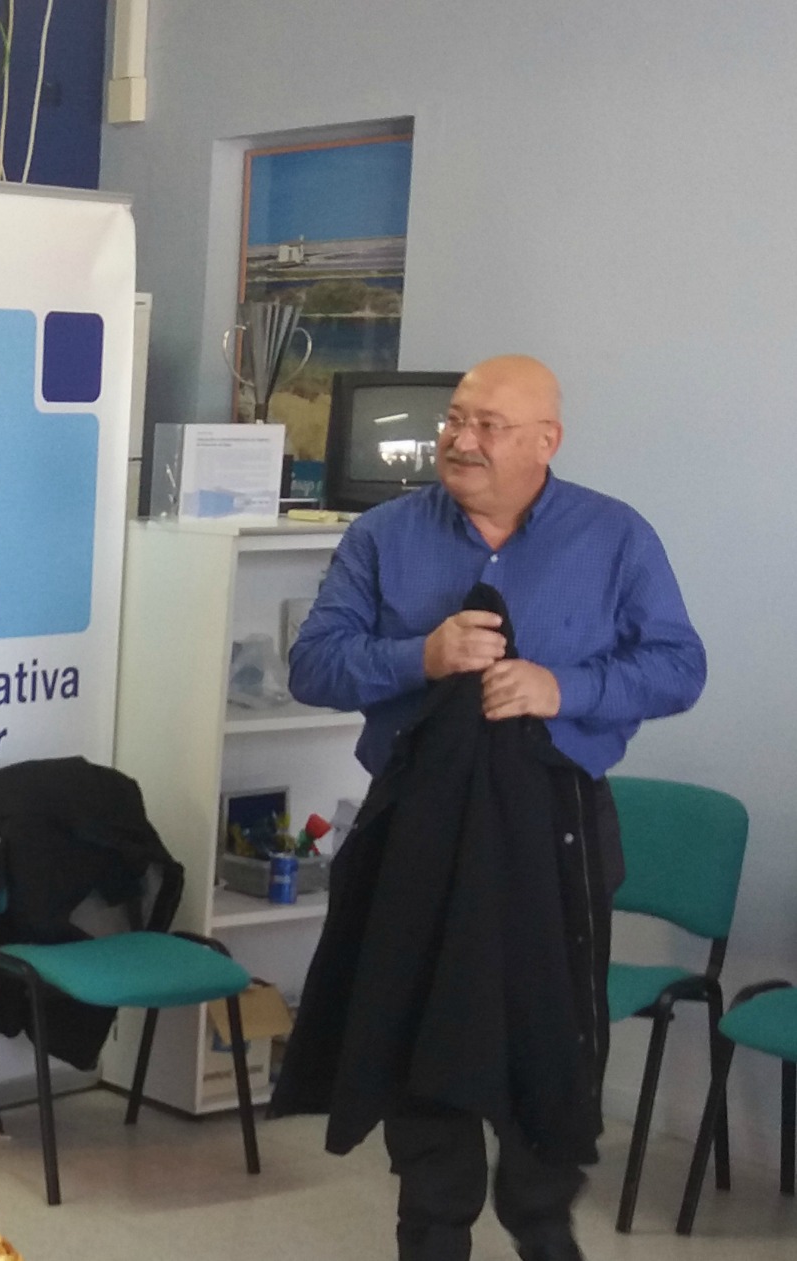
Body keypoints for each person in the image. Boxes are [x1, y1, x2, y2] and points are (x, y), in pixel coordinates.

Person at [283, 354, 707, 1261]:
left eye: (488, 426)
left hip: (557, 833)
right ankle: (432, 1227)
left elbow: (680, 666)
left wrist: (565, 687)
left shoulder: (614, 536)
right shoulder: (385, 536)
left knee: (546, 1042)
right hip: (417, 831)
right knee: (417, 1030)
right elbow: (313, 664)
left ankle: (541, 1222)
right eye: (455, 420)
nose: (460, 439)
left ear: (546, 441)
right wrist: (420, 655)